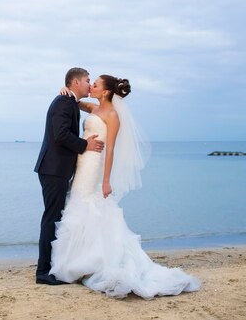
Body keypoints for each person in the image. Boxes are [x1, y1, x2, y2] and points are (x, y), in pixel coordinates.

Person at [49, 74, 201, 299]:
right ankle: (79, 262)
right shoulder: (94, 109)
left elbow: (110, 149)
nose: (92, 86)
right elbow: (76, 101)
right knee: (77, 204)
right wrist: (65, 89)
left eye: (96, 85)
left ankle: (89, 262)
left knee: (87, 203)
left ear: (106, 92)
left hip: (94, 166)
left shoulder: (112, 115)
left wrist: (107, 180)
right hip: (82, 163)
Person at [34, 67, 105, 286]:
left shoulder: (69, 101)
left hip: (58, 169)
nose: (89, 84)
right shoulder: (63, 102)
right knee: (51, 218)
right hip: (53, 169)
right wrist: (86, 144)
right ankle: (43, 271)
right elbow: (61, 134)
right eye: (86, 80)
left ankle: (54, 265)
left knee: (56, 217)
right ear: (75, 82)